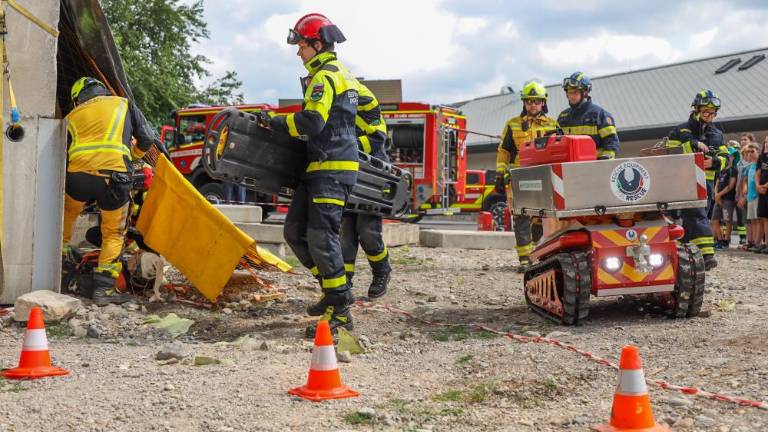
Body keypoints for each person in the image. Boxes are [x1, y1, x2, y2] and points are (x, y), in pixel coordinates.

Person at [269, 13, 359, 333]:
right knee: (295, 231)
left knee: (321, 237)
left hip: (331, 168)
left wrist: (277, 123)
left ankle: (340, 308)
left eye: (302, 45)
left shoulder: (325, 77)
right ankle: (332, 290)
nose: (298, 52)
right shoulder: (335, 73)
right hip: (320, 167)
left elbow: (312, 123)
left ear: (317, 44)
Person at [61, 77, 161, 304]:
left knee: (63, 227)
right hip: (114, 178)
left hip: (77, 178)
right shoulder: (123, 104)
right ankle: (104, 291)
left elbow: (61, 150)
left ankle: (60, 277)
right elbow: (147, 138)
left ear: (78, 98)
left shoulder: (71, 116)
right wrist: (133, 157)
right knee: (113, 233)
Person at [495, 81, 558, 271]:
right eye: (529, 101)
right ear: (524, 102)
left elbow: (558, 151)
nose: (532, 105)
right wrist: (500, 173)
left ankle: (536, 253)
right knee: (521, 216)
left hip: (543, 177)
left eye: (536, 101)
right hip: (519, 177)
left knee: (540, 217)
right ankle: (524, 260)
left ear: (543, 103)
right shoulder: (513, 124)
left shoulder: (553, 125)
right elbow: (504, 151)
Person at [340, 83, 392, 299]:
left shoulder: (367, 107)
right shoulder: (337, 110)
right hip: (345, 174)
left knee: (368, 232)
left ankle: (382, 272)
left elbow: (376, 140)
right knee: (346, 233)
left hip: (372, 175)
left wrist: (343, 145)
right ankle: (345, 281)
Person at [665, 90, 724, 270]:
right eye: (706, 111)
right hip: (686, 180)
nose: (710, 115)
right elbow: (670, 153)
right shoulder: (682, 130)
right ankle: (707, 255)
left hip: (707, 183)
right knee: (697, 214)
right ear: (696, 109)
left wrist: (714, 161)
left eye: (713, 112)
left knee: (696, 217)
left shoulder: (717, 133)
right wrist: (693, 144)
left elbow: (726, 157)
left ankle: (687, 254)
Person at [558, 72, 619, 159]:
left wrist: (605, 161)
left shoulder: (600, 115)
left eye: (575, 92)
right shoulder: (563, 117)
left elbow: (611, 143)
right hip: (570, 168)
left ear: (585, 92)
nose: (571, 96)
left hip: (594, 166)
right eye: (569, 92)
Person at [711, 153, 737, 249]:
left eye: (729, 156)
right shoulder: (722, 170)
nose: (727, 158)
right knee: (714, 219)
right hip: (719, 198)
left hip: (728, 199)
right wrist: (716, 194)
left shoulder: (733, 170)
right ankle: (720, 239)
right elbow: (717, 183)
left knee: (727, 220)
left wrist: (719, 194)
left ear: (733, 158)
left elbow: (731, 185)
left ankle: (727, 240)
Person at [755, 135, 768, 253]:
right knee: (764, 217)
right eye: (766, 142)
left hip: (766, 189)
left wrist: (765, 185)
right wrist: (758, 186)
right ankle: (765, 243)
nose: (767, 144)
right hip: (762, 191)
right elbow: (757, 173)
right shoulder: (762, 157)